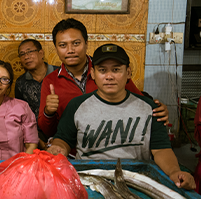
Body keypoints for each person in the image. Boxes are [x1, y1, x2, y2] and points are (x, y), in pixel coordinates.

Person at [48, 44, 195, 190]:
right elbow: (64, 140)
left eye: (116, 70)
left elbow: (161, 149)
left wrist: (174, 172)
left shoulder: (149, 108)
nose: (109, 76)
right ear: (93, 74)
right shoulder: (77, 105)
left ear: (128, 72)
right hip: (88, 180)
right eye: (102, 70)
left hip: (137, 181)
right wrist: (59, 148)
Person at [39, 18, 168, 141]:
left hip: (113, 145)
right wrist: (48, 112)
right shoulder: (50, 81)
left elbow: (139, 104)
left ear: (86, 43)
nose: (70, 50)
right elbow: (48, 131)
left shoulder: (109, 72)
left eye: (76, 43)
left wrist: (158, 111)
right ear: (56, 48)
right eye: (63, 45)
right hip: (71, 150)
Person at [0, 59, 38, 160]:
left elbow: (32, 144)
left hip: (19, 168)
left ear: (9, 85)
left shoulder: (22, 107)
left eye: (4, 79)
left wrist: (19, 167)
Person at [15, 39, 59, 149]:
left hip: (62, 133)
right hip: (35, 138)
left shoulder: (59, 74)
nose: (26, 57)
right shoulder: (21, 83)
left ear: (41, 53)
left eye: (30, 52)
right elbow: (22, 116)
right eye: (22, 54)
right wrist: (37, 140)